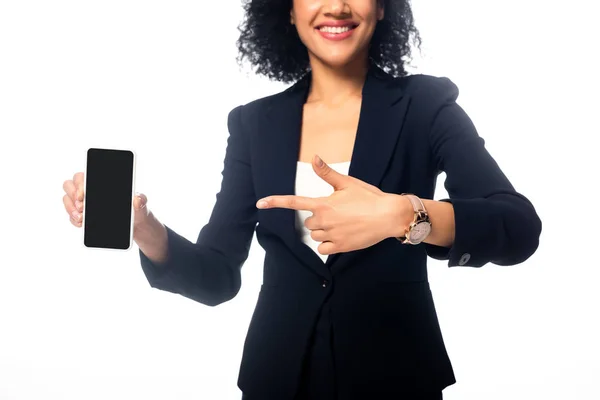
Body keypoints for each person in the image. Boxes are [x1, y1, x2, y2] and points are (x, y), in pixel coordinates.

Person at [62, 0, 542, 399]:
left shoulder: (425, 105)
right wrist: (145, 228)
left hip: (399, 377)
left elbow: (517, 228)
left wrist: (404, 214)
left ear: (381, 8)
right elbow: (217, 277)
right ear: (287, 11)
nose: (335, 5)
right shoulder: (254, 125)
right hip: (276, 379)